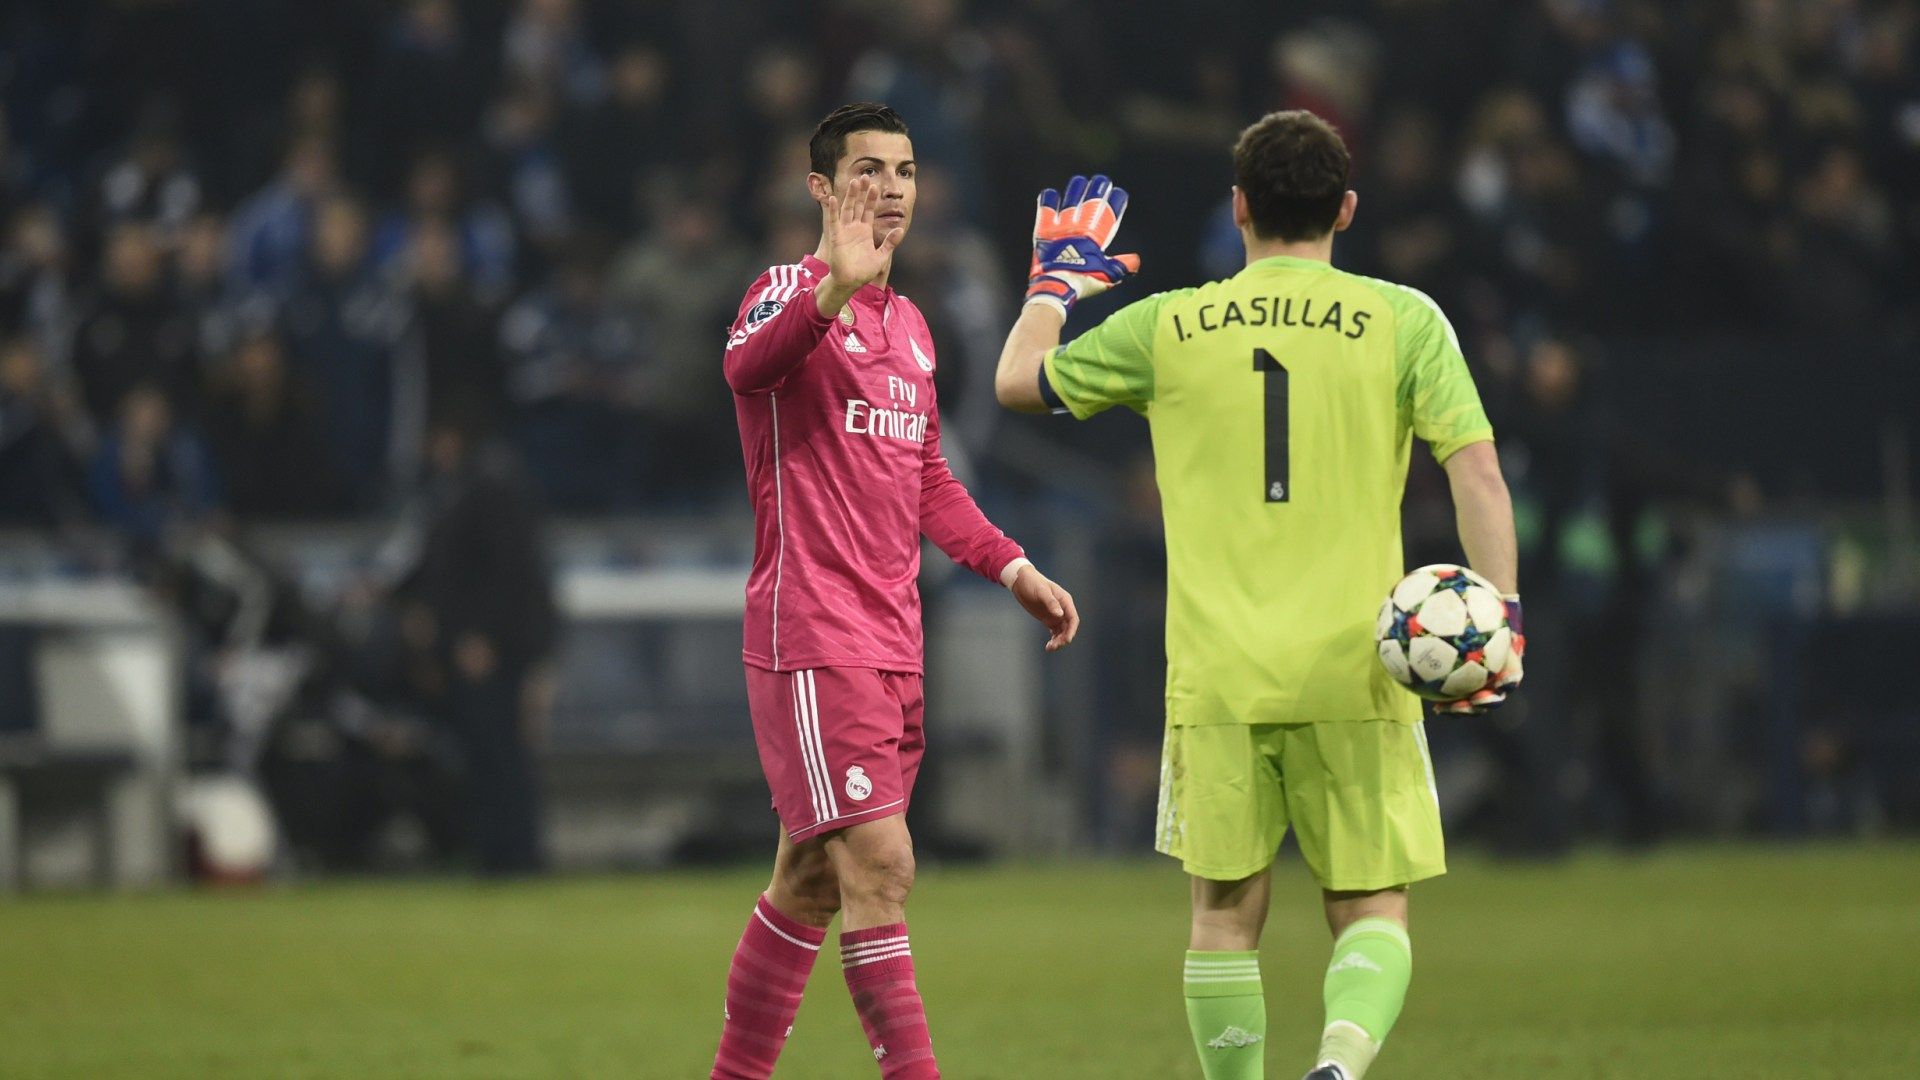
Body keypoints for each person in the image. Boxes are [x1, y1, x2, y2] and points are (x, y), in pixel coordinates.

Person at [994, 111, 1525, 1080]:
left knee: (1223, 916)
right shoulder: (1405, 319)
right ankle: (1337, 1066)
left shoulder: (1169, 326)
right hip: (1359, 668)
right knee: (1372, 908)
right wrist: (1502, 620)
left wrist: (1051, 288)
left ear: (1238, 207)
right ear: (1347, 209)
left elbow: (1017, 383)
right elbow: (1478, 476)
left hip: (1219, 676)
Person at [708, 102, 1080, 1080]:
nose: (890, 190)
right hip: (812, 634)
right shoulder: (787, 289)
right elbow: (748, 367)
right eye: (867, 171)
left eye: (905, 172)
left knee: (808, 880)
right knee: (882, 866)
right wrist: (832, 288)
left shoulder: (911, 326)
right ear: (821, 188)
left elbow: (926, 479)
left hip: (892, 640)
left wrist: (1012, 565)